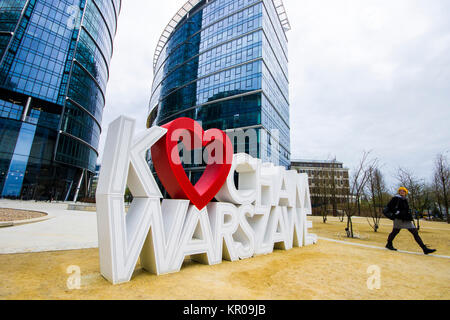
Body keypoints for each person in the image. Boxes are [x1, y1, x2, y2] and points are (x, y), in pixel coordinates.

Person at [385, 187, 436, 255]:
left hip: (406, 219)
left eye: (403, 191)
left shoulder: (404, 199)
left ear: (406, 192)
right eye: (400, 191)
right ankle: (389, 244)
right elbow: (389, 206)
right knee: (395, 232)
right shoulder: (396, 198)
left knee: (414, 232)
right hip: (399, 218)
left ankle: (424, 248)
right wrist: (397, 212)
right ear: (399, 192)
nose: (402, 192)